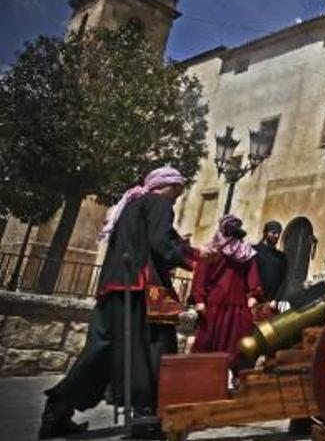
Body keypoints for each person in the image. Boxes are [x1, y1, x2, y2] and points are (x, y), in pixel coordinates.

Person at [40, 166, 193, 439]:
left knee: (102, 349)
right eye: (176, 192)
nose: (176, 198)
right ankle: (144, 416)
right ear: (166, 186)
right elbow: (161, 243)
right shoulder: (158, 203)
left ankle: (58, 408)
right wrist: (190, 260)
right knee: (149, 348)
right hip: (140, 289)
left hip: (112, 287)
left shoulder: (130, 204)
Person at [191, 215, 262, 376]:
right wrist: (199, 299)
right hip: (215, 302)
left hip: (237, 304)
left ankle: (230, 374)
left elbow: (252, 276)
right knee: (209, 338)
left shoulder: (246, 252)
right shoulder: (213, 250)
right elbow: (201, 275)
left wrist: (253, 295)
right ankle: (202, 374)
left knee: (235, 341)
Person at [253, 220, 287, 305]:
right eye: (273, 232)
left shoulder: (281, 257)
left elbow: (284, 280)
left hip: (270, 304)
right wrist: (250, 296)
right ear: (265, 233)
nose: (277, 236)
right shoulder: (253, 250)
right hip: (252, 300)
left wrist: (276, 299)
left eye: (279, 233)